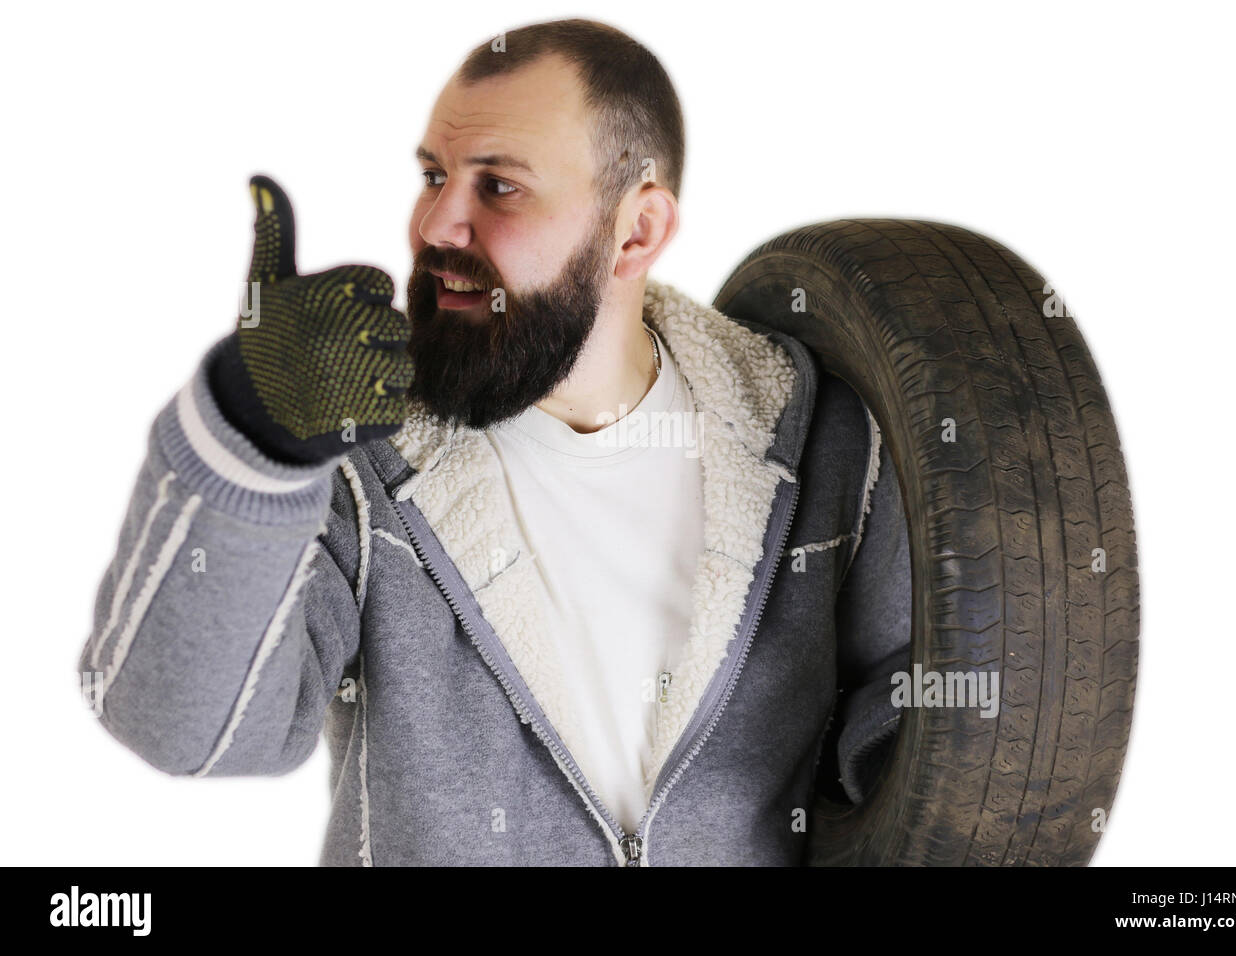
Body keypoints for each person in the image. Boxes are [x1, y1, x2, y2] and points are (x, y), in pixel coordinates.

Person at [77, 17, 911, 866]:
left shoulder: (823, 442)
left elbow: (922, 739)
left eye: (499, 187)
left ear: (637, 232)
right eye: (435, 176)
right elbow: (179, 726)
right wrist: (251, 440)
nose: (438, 224)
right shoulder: (359, 453)